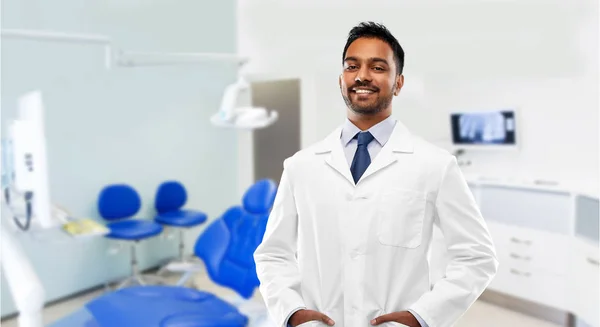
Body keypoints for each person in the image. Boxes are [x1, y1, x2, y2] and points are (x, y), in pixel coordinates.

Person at [254, 21, 499, 327]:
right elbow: (273, 254)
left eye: (378, 67)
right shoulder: (301, 166)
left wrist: (422, 317)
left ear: (399, 83)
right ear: (341, 80)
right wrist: (292, 313)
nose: (362, 75)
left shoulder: (435, 165)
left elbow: (476, 258)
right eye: (352, 65)